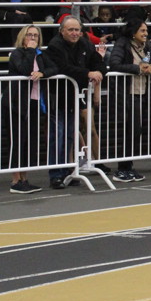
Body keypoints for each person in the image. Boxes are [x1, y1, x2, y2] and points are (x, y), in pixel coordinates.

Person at [45, 16, 105, 188]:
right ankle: (56, 174)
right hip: (58, 97)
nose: (74, 33)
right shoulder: (55, 46)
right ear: (62, 31)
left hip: (76, 97)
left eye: (77, 30)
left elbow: (97, 61)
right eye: (70, 30)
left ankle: (68, 171)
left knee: (70, 135)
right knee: (57, 136)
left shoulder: (85, 44)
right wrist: (87, 73)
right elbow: (63, 67)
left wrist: (99, 72)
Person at [106, 16, 151, 182]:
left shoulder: (147, 45)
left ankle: (129, 167)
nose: (146, 33)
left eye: (146, 30)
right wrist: (137, 69)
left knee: (136, 132)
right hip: (127, 94)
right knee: (129, 131)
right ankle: (122, 168)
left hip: (143, 93)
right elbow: (114, 64)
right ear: (133, 32)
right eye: (142, 30)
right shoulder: (122, 44)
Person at [7, 25, 55, 193]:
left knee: (30, 141)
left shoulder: (40, 54)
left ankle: (25, 178)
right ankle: (15, 180)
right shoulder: (17, 53)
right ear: (23, 36)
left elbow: (54, 68)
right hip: (17, 102)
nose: (33, 38)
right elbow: (25, 69)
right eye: (29, 35)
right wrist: (30, 51)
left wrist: (43, 73)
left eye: (36, 35)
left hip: (34, 101)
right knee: (17, 140)